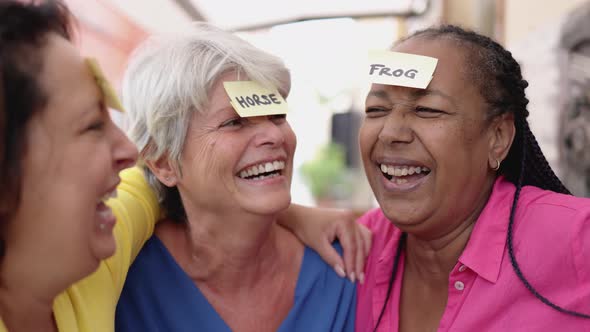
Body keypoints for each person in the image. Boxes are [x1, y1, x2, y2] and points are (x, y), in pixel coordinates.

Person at [114, 23, 357, 332]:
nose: (273, 134)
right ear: (164, 163)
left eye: (277, 115)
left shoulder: (344, 263)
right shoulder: (125, 279)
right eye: (235, 122)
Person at [354, 25, 590, 331]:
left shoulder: (577, 237)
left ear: (498, 137)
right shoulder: (359, 245)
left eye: (427, 109)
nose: (390, 132)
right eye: (376, 109)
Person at [0, 1, 160, 331]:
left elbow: (153, 182)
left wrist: (287, 214)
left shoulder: (85, 266)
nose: (129, 149)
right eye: (92, 125)